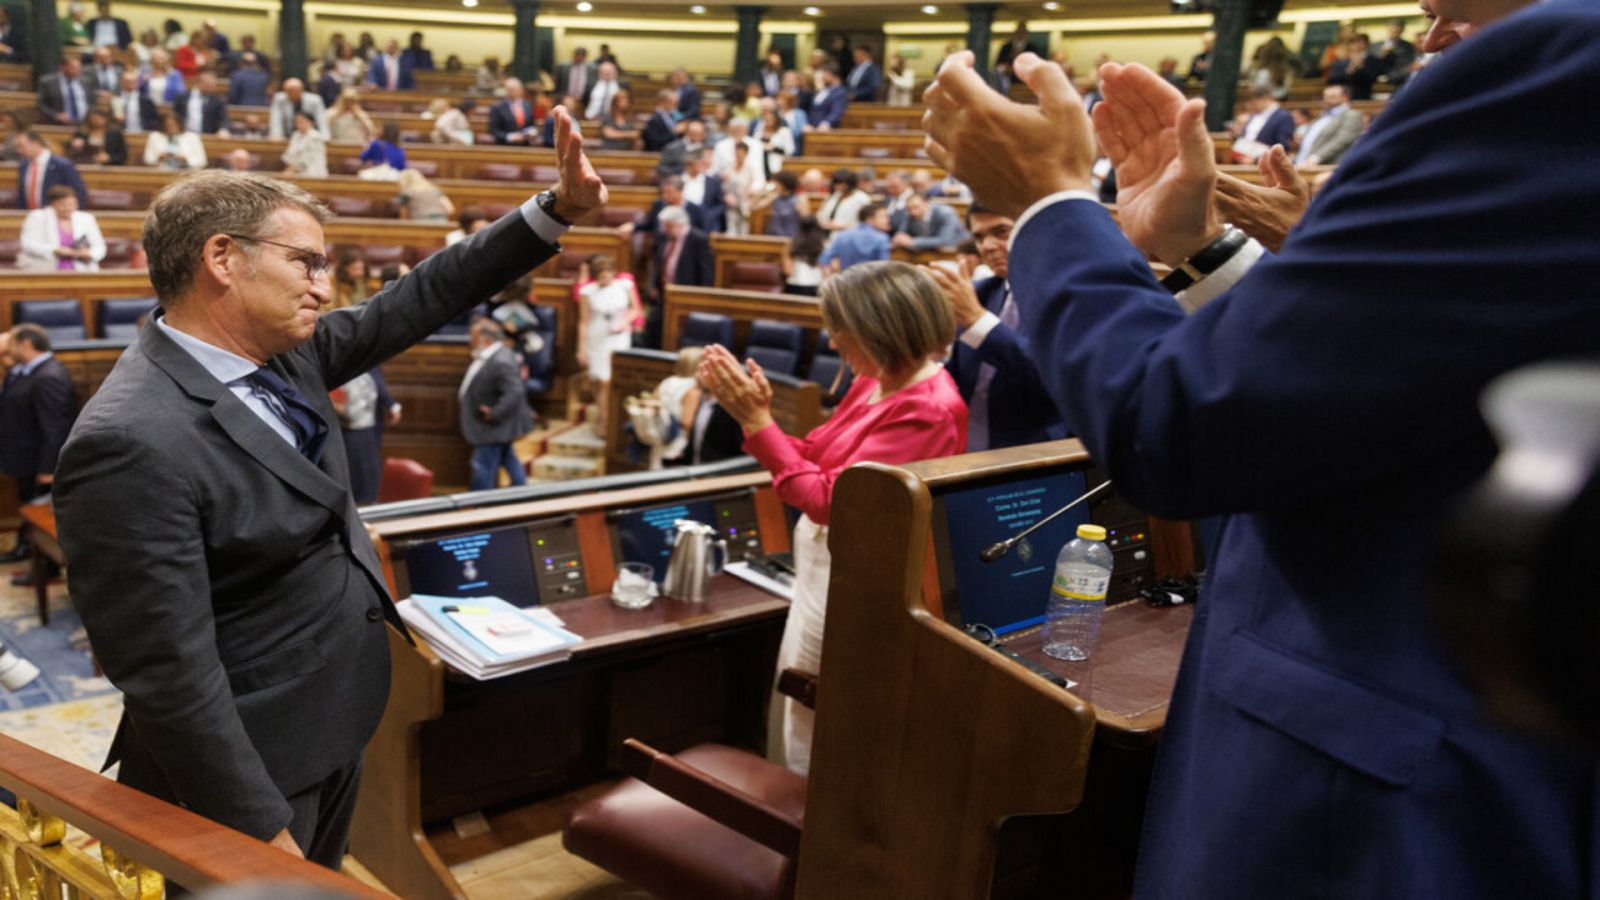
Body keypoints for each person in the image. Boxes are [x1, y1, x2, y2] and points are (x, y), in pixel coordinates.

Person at [919, 0, 1596, 890]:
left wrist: (1047, 204)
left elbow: (1176, 432)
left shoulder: (1566, 63)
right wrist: (1198, 253)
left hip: (1373, 809)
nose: (1429, 38)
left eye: (1448, 10)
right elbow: (1400, 370)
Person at [52, 108, 602, 868]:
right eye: (306, 263)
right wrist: (249, 821)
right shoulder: (128, 438)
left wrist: (552, 212)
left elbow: (417, 298)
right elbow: (165, 670)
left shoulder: (282, 354)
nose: (324, 284)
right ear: (222, 257)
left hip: (334, 719)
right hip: (247, 769)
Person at [698, 261, 966, 772]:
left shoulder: (928, 407)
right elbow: (820, 453)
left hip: (853, 573)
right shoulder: (875, 379)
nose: (831, 340)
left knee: (813, 704)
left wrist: (756, 422)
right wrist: (761, 418)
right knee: (794, 689)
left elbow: (832, 499)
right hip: (820, 564)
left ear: (880, 328)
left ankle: (804, 825)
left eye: (840, 328)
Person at [924, 203, 1065, 451]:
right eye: (978, 237)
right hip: (966, 447)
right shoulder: (984, 291)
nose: (987, 246)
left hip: (1039, 454)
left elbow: (1057, 380)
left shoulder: (1069, 294)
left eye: (1001, 232)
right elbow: (959, 376)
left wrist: (978, 321)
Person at [1, 324, 75, 584]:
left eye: (12, 344)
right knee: (29, 512)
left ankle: (45, 570)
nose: (8, 348)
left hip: (39, 463)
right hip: (26, 460)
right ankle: (33, 559)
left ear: (26, 344)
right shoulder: (30, 372)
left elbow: (55, 428)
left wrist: (48, 468)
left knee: (40, 519)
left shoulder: (49, 376)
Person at [460, 318, 534, 491]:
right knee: (508, 459)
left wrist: (495, 412)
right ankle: (522, 494)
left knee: (482, 466)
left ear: (485, 339)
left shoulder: (500, 360)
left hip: (494, 425)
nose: (469, 340)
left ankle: (478, 505)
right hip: (495, 426)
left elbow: (515, 391)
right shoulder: (492, 355)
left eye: (473, 336)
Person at [575, 255, 643, 429]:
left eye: (608, 274)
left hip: (619, 337)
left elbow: (635, 309)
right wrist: (581, 348)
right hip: (597, 336)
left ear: (614, 272)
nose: (605, 278)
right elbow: (584, 321)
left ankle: (608, 420)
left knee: (609, 379)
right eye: (601, 275)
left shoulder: (625, 285)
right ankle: (603, 414)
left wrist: (626, 322)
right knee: (598, 379)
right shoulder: (587, 292)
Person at [331, 368, 398, 506]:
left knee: (361, 494)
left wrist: (328, 402)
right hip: (356, 437)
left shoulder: (357, 375)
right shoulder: (355, 372)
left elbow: (352, 413)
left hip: (357, 439)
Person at [19, 185, 104, 271]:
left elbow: (100, 246)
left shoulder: (86, 218)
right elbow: (28, 244)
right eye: (64, 205)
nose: (69, 208)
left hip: (82, 269)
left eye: (72, 204)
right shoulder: (37, 217)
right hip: (44, 268)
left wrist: (89, 254)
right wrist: (54, 250)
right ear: (53, 204)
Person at [15, 132, 88, 210]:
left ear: (35, 143)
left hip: (56, 217)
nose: (18, 151)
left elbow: (78, 193)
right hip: (31, 216)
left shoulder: (62, 165)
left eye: (21, 146)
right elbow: (22, 195)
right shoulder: (24, 165)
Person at [1295, 84, 1364, 165]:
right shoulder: (1321, 117)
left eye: (1332, 96)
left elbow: (1342, 140)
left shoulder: (1352, 115)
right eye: (1325, 96)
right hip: (1303, 162)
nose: (1327, 100)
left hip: (1324, 165)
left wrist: (1316, 158)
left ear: (1345, 97)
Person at [819, 203, 890, 273]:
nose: (888, 220)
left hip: (846, 281)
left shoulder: (843, 235)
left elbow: (824, 259)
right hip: (870, 282)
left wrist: (829, 280)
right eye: (884, 217)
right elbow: (884, 268)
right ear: (869, 219)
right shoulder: (881, 238)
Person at [890, 194, 968, 252]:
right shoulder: (908, 214)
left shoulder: (946, 213)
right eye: (909, 209)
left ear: (926, 203)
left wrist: (913, 242)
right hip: (926, 251)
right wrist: (899, 239)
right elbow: (901, 235)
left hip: (954, 250)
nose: (913, 212)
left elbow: (944, 240)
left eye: (916, 207)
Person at [38, 57, 96, 127]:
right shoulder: (47, 82)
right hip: (57, 123)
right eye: (74, 68)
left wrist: (89, 115)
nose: (78, 71)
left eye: (79, 68)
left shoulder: (86, 82)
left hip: (84, 124)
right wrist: (55, 115)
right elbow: (41, 104)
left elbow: (92, 101)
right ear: (63, 67)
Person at [814, 168, 871, 234]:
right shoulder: (833, 196)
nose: (837, 186)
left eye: (840, 183)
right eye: (836, 183)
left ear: (849, 183)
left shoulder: (862, 199)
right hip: (826, 234)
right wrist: (822, 222)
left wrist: (842, 226)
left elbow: (867, 223)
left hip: (850, 237)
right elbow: (821, 214)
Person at [1327, 33, 1383, 100]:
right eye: (1354, 43)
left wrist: (1360, 67)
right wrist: (1348, 71)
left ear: (1367, 45)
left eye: (1361, 43)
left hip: (1362, 97)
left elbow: (1372, 77)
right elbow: (1332, 80)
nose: (1357, 46)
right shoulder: (1340, 61)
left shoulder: (1371, 60)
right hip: (1342, 98)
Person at [782, 215, 826, 295]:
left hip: (794, 285)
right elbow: (826, 269)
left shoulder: (791, 244)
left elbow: (787, 271)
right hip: (816, 285)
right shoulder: (823, 245)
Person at [489, 78, 539, 145]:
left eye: (515, 90)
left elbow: (532, 125)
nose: (513, 92)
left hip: (525, 145)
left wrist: (532, 132)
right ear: (506, 90)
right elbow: (494, 130)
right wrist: (511, 137)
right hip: (504, 146)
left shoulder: (528, 105)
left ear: (521, 90)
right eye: (510, 90)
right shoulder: (497, 107)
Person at [282, 110, 328, 177]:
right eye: (297, 122)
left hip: (313, 173)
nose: (299, 125)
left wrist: (292, 169)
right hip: (293, 171)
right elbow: (288, 154)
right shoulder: (295, 135)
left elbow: (308, 158)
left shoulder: (316, 137)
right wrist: (289, 167)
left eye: (302, 122)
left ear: (311, 122)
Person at [762, 169, 803, 237]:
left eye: (776, 183)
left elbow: (806, 221)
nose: (774, 185)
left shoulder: (798, 200)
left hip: (791, 238)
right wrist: (764, 192)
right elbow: (753, 206)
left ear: (783, 184)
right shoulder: (774, 198)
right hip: (773, 238)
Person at [806, 65, 848, 130]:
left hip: (825, 127)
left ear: (833, 75)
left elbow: (836, 111)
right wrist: (808, 123)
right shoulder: (823, 90)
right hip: (812, 126)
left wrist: (827, 123)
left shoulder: (840, 92)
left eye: (825, 74)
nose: (823, 77)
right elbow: (813, 109)